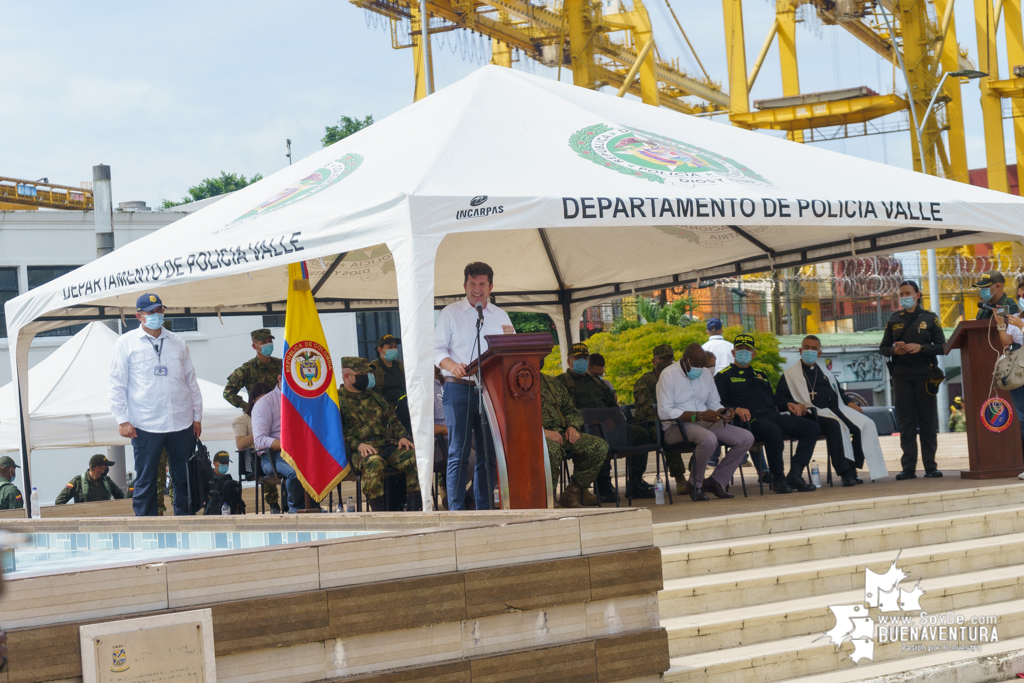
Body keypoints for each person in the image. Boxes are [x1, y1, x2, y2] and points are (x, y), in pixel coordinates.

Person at [108, 293, 202, 517]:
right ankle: (146, 528)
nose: (157, 315)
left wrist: (197, 417)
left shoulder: (178, 342)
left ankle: (186, 522)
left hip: (181, 421)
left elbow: (191, 381)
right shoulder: (125, 343)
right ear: (138, 316)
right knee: (147, 478)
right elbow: (116, 383)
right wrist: (122, 420)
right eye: (151, 312)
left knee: (184, 478)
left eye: (159, 310)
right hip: (145, 424)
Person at [434, 261, 515, 511]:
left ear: (491, 287)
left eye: (482, 284)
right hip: (459, 387)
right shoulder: (450, 313)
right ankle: (456, 511)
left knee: (487, 454)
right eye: (472, 284)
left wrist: (510, 340)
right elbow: (437, 350)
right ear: (464, 285)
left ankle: (484, 509)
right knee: (457, 452)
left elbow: (510, 352)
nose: (477, 289)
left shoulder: (500, 315)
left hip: (490, 390)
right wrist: (451, 365)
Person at [775, 335, 888, 485]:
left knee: (865, 424)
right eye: (807, 348)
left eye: (814, 349)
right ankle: (845, 473)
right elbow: (779, 401)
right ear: (800, 350)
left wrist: (850, 403)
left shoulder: (824, 372)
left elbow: (839, 393)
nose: (810, 351)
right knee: (836, 426)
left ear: (819, 353)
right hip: (811, 415)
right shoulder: (789, 376)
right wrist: (791, 403)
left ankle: (853, 467)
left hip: (836, 410)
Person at [714, 334, 819, 494]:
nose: (744, 352)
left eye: (747, 349)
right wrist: (735, 409)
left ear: (753, 353)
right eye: (740, 349)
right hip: (748, 421)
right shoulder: (723, 376)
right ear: (733, 352)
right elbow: (718, 405)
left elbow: (775, 400)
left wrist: (788, 404)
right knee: (773, 432)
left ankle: (795, 475)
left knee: (811, 427)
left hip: (772, 416)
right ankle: (778, 479)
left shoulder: (761, 375)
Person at [657, 343, 754, 501]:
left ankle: (716, 481)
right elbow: (664, 412)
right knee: (708, 439)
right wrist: (698, 416)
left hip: (704, 423)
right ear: (685, 359)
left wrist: (724, 412)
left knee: (746, 438)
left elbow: (714, 403)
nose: (699, 369)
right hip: (676, 427)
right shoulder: (668, 375)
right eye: (695, 365)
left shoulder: (705, 374)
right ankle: (694, 484)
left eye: (702, 365)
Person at [559, 342, 652, 501]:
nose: (581, 361)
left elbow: (612, 405)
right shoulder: (561, 382)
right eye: (577, 358)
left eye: (584, 357)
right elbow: (563, 411)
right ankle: (603, 485)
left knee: (641, 434)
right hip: (583, 429)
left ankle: (635, 482)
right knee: (597, 438)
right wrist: (589, 421)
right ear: (569, 361)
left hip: (609, 427)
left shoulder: (598, 382)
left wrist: (610, 419)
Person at [879, 280, 946, 480]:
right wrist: (895, 350)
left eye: (907, 293)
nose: (904, 297)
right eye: (901, 294)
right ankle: (908, 468)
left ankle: (930, 467)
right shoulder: (893, 320)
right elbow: (883, 348)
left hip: (925, 374)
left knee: (927, 421)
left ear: (918, 295)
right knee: (906, 422)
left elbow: (942, 346)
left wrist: (921, 348)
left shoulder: (930, 318)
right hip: (901, 375)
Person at [338, 357, 421, 511]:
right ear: (347, 377)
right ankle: (380, 514)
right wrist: (358, 444)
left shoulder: (374, 396)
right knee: (375, 462)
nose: (367, 376)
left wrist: (402, 437)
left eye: (368, 373)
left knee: (414, 456)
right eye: (362, 373)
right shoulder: (338, 399)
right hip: (358, 452)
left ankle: (414, 510)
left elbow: (393, 420)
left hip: (384, 446)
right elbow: (335, 433)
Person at [541, 373, 607, 507]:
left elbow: (570, 411)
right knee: (551, 450)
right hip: (533, 435)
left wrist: (572, 426)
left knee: (598, 446)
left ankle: (572, 492)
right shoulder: (515, 381)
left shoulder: (552, 383)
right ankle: (548, 498)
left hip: (561, 433)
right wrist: (540, 432)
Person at [634, 344, 687, 492]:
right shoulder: (645, 381)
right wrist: (666, 420)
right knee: (668, 435)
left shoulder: (676, 378)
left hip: (673, 419)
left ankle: (696, 475)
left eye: (670, 359)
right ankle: (680, 478)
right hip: (650, 424)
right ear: (654, 361)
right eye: (663, 359)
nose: (667, 362)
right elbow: (645, 409)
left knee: (695, 431)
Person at [252, 373, 304, 513]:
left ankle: (312, 507)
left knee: (322, 466)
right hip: (273, 454)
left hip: (301, 450)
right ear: (280, 378)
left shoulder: (303, 399)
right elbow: (259, 440)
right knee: (296, 472)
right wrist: (285, 444)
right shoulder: (265, 403)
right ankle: (296, 509)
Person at [231, 381, 281, 513]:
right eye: (261, 398)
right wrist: (260, 431)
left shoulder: (273, 412)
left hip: (273, 452)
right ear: (253, 399)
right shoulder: (243, 420)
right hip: (253, 460)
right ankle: (273, 503)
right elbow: (240, 443)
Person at [223, 329, 283, 409]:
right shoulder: (247, 369)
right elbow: (228, 393)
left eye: (270, 341)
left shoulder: (281, 364)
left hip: (280, 412)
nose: (268, 344)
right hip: (260, 413)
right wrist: (248, 407)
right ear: (254, 346)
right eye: (264, 342)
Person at [996, 278, 1024, 444]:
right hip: (1018, 370)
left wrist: (1022, 326)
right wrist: (1001, 325)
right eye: (1019, 296)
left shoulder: (1018, 321)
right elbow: (1007, 344)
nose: (1021, 299)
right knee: (1022, 417)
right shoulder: (1015, 317)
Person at [370, 333, 411, 433]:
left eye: (395, 347)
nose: (394, 349)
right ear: (380, 350)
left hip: (404, 408)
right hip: (384, 410)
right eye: (390, 347)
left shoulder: (400, 366)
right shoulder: (373, 367)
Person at [55, 454, 126, 504]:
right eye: (105, 466)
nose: (107, 468)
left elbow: (120, 496)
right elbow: (59, 501)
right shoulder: (77, 482)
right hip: (84, 523)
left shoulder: (107, 481)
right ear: (97, 468)